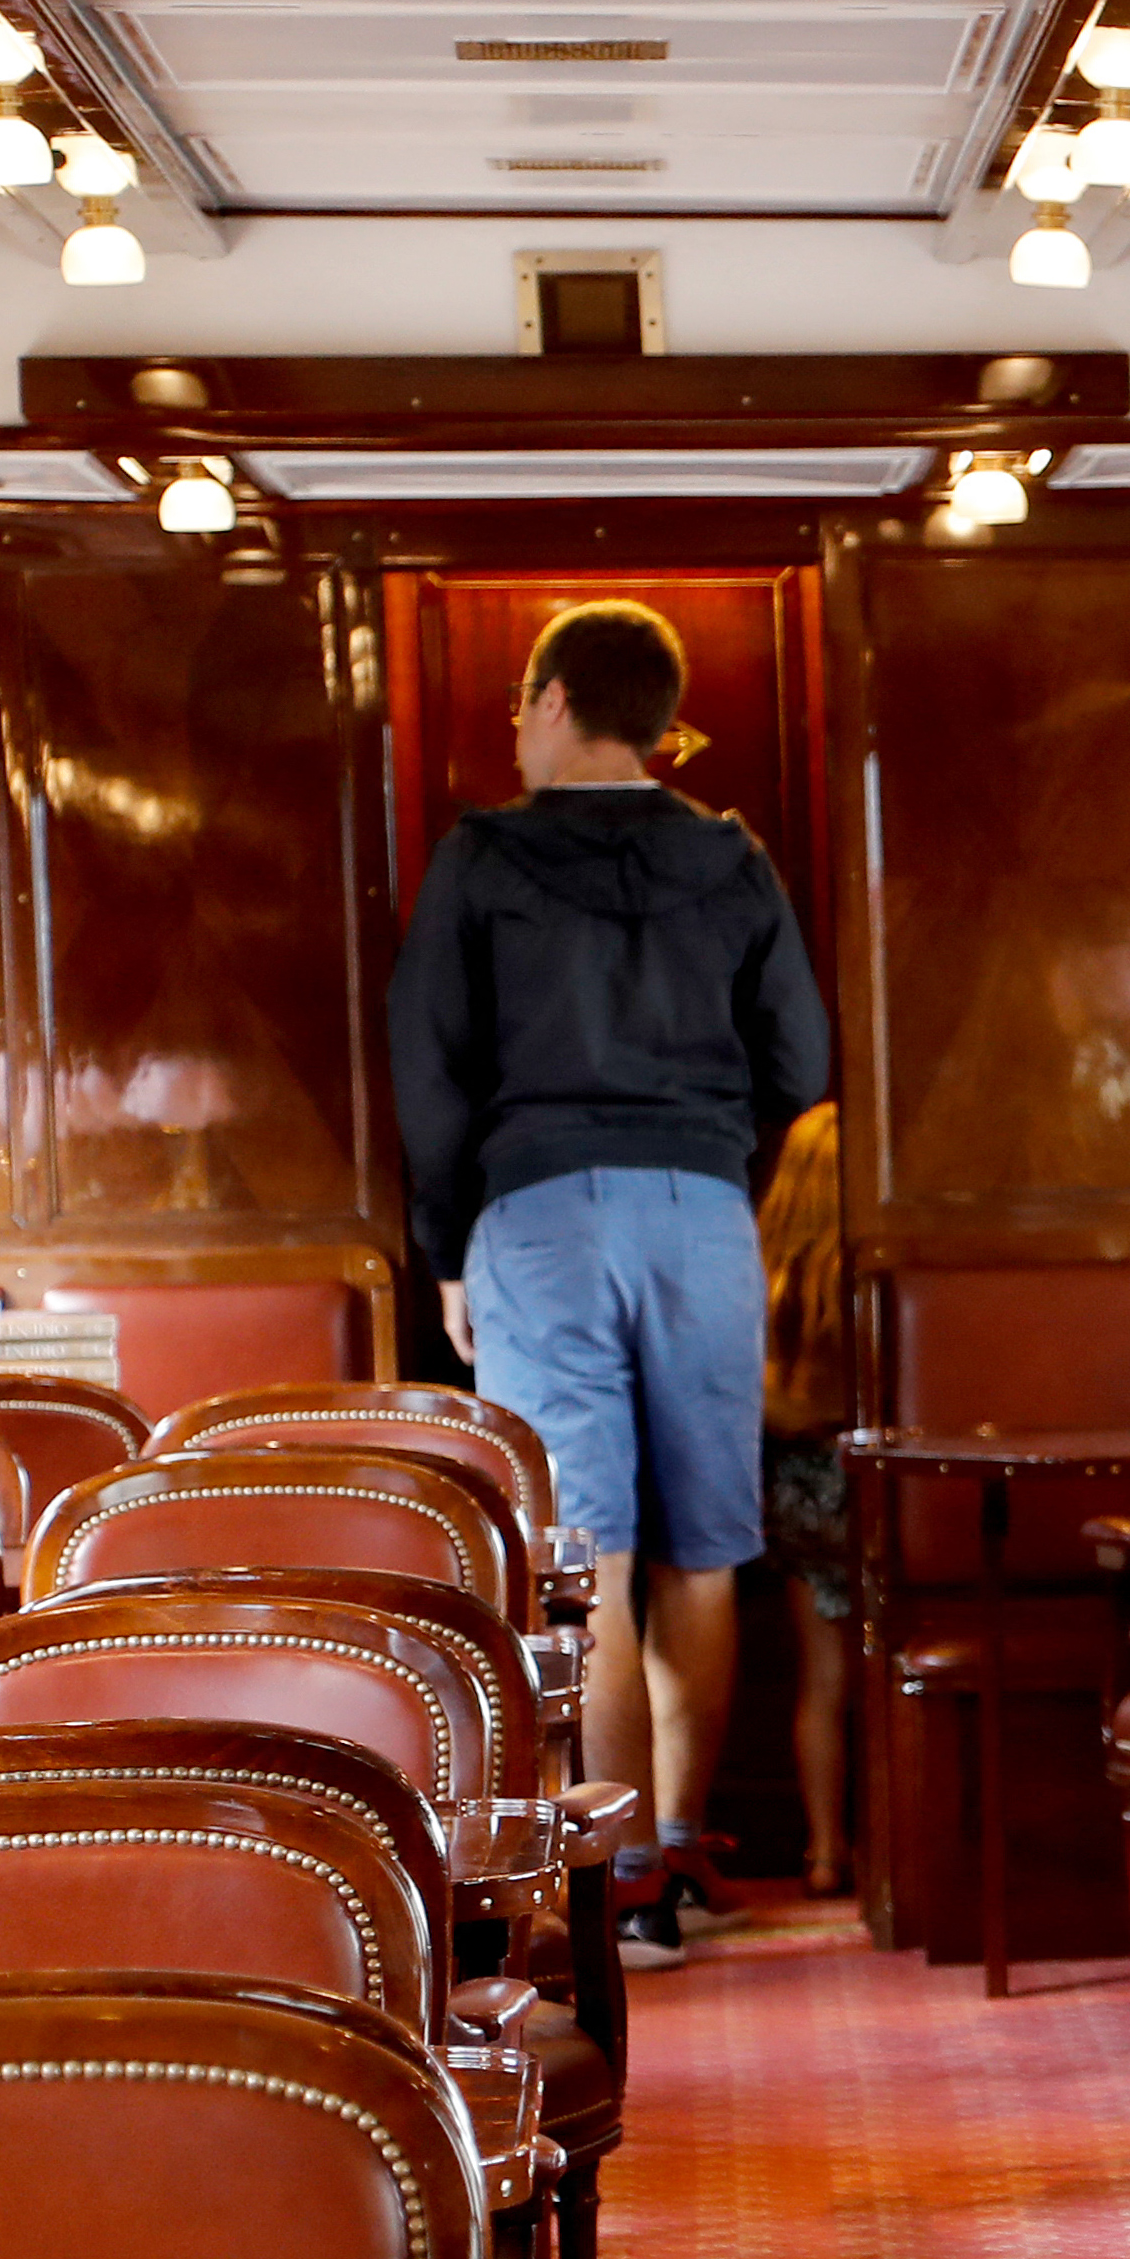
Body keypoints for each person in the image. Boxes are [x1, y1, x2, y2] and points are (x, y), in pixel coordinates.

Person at [392, 600, 833, 1961]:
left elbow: (432, 1068)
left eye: (520, 704)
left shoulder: (480, 859)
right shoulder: (732, 861)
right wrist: (701, 1145)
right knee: (705, 1548)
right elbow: (801, 1063)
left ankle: (615, 1880)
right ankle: (680, 1863)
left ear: (553, 698)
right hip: (703, 1212)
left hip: (537, 1211)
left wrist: (447, 1246)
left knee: (590, 1558)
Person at [755, 1098, 858, 1896]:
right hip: (874, 1484)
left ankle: (826, 1852)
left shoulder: (768, 1275)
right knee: (885, 1670)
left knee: (819, 1680)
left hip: (796, 1487)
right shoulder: (870, 1272)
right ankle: (894, 1844)